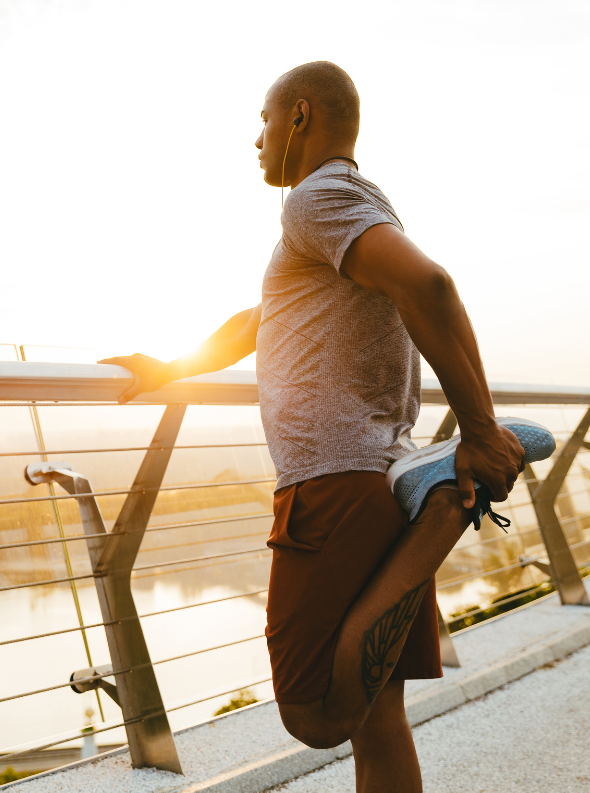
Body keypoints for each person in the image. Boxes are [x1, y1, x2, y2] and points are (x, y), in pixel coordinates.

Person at [100, 61, 547, 792]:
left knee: (313, 715)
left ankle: (446, 508)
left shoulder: (316, 199)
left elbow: (431, 284)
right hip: (378, 471)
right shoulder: (354, 206)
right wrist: (170, 366)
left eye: (266, 121)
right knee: (378, 717)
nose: (257, 140)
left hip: (333, 484)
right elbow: (261, 319)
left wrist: (479, 429)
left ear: (300, 116)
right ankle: (439, 496)